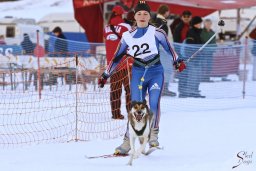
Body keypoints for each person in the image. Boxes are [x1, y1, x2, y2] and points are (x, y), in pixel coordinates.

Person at [98, 1, 186, 154]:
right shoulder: (127, 36)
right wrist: (105, 74)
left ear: (149, 16)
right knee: (136, 109)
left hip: (156, 72)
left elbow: (169, 50)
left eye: (145, 13)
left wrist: (178, 61)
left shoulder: (158, 32)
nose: (142, 16)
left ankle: (153, 134)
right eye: (139, 13)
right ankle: (127, 142)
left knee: (153, 103)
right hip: (138, 73)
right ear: (135, 16)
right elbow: (116, 58)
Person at [103, 5, 133, 119]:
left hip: (112, 65)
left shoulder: (106, 28)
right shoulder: (126, 26)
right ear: (121, 14)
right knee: (129, 90)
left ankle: (115, 114)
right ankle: (132, 114)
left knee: (115, 90)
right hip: (126, 63)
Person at [153, 4, 176, 96]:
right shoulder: (162, 22)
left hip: (157, 50)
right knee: (167, 69)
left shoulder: (155, 20)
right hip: (163, 50)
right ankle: (164, 89)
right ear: (166, 12)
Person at [183, 16, 205, 98]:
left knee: (198, 75)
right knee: (193, 75)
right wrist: (194, 53)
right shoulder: (191, 32)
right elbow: (190, 45)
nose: (200, 25)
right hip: (193, 58)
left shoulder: (198, 32)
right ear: (195, 24)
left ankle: (195, 90)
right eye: (199, 23)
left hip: (198, 58)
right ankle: (191, 91)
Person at [172, 10, 192, 98]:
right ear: (182, 17)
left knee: (189, 72)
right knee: (183, 72)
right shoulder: (179, 27)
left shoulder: (191, 26)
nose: (186, 18)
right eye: (185, 17)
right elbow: (176, 41)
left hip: (189, 52)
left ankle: (187, 90)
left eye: (188, 17)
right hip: (181, 53)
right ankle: (182, 91)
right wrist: (178, 54)